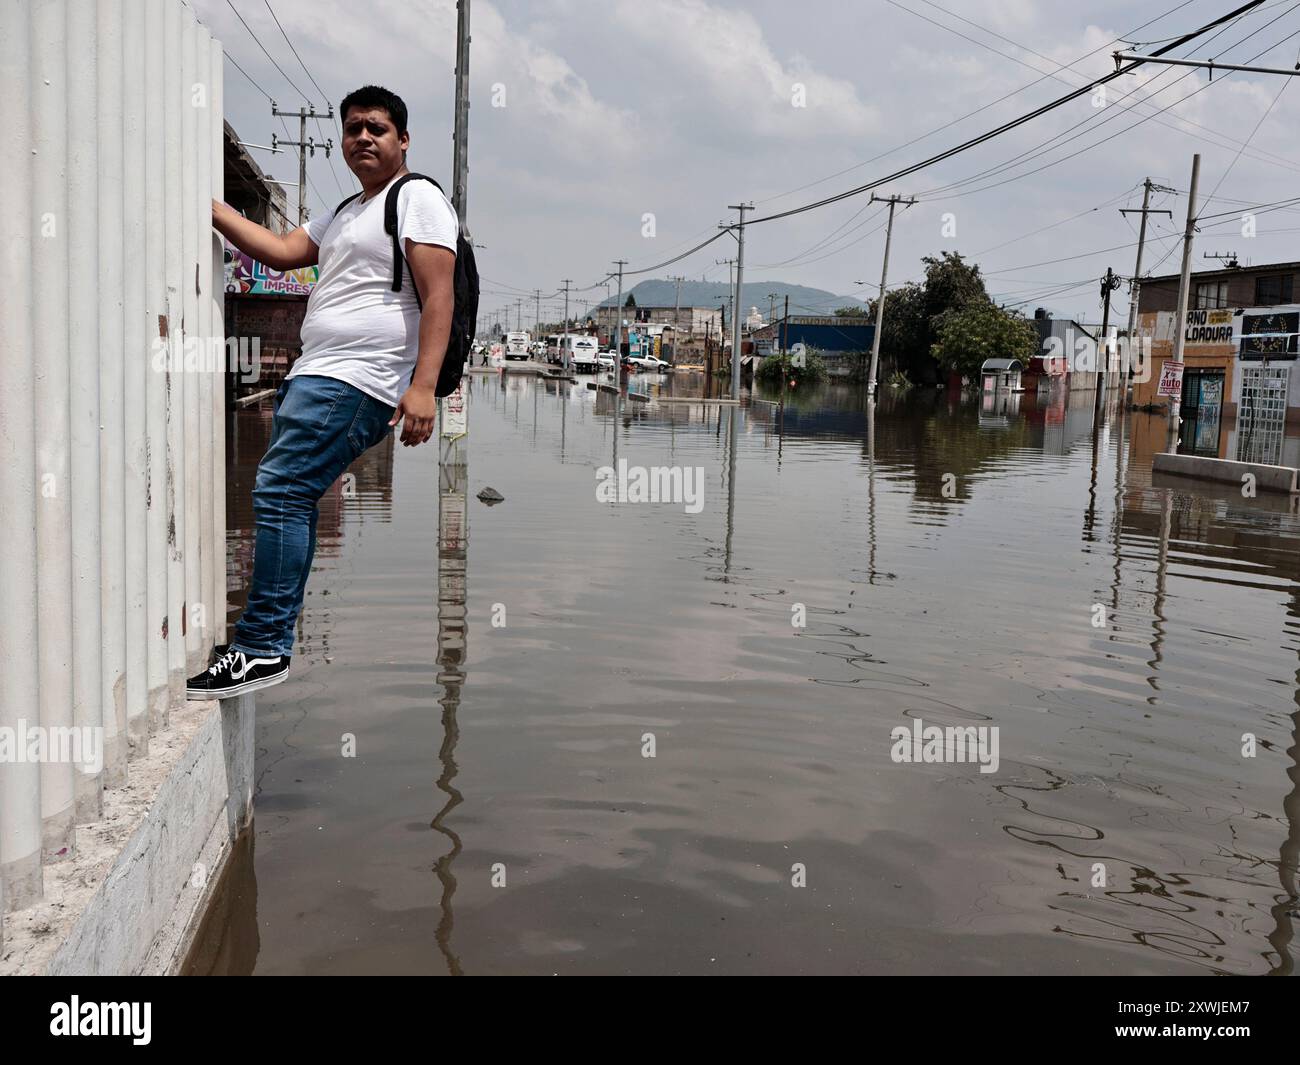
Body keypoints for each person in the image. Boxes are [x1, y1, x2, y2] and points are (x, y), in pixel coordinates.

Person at [189, 85, 458, 700]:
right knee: (293, 494)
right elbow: (284, 254)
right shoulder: (346, 211)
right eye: (354, 128)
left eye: (378, 129)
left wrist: (422, 389)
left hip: (359, 377)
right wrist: (209, 207)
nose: (363, 137)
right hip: (320, 372)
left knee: (282, 488)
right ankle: (267, 640)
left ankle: (262, 646)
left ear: (403, 140)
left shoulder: (415, 200)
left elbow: (438, 296)